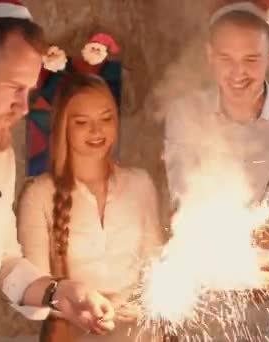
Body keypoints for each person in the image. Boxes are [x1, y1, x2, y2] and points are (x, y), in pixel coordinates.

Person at [0, 1, 116, 340]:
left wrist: (60, 293)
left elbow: (4, 260)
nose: (24, 108)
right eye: (14, 89)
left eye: (30, 91)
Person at [162, 0, 269, 340]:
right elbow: (183, 195)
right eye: (226, 59)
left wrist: (220, 237)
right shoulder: (185, 114)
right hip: (202, 297)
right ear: (210, 56)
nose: (238, 73)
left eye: (251, 59)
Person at [17, 73, 166, 341]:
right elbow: (32, 288)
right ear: (64, 127)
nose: (97, 131)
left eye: (106, 119)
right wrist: (78, 305)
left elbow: (155, 263)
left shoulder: (140, 184)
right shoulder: (38, 194)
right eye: (82, 122)